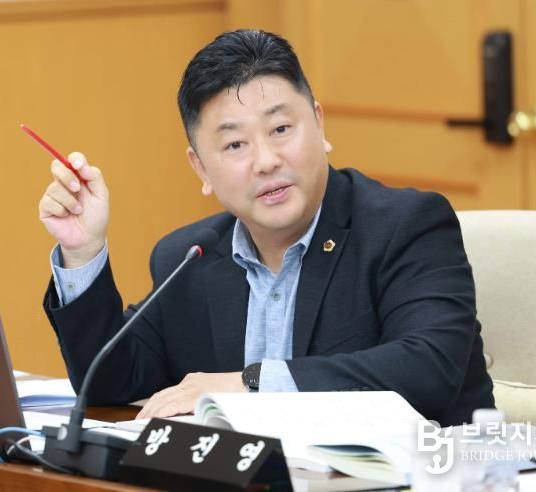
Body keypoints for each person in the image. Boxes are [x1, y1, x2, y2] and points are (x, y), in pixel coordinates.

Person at [39, 30, 494, 427]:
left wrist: (250, 384)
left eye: (280, 129)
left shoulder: (406, 226)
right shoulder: (189, 258)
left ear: (319, 123)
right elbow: (109, 383)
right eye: (235, 144)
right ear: (201, 168)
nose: (266, 161)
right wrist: (83, 251)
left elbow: (428, 370)